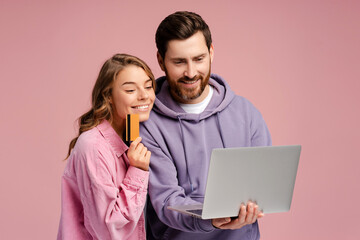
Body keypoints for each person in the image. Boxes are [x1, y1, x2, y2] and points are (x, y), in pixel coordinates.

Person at [140, 11, 272, 240]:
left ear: (211, 53)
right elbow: (166, 201)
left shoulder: (246, 113)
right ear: (161, 60)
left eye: (198, 59)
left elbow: (266, 184)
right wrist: (210, 219)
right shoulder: (147, 124)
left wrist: (256, 204)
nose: (190, 73)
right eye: (179, 62)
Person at [57, 53, 156, 240]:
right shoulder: (93, 146)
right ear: (108, 96)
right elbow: (109, 231)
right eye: (130, 90)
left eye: (148, 87)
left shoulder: (132, 135)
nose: (144, 96)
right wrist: (138, 171)